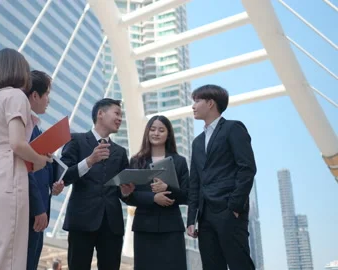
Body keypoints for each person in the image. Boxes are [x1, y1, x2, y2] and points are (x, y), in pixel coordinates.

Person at [0, 48, 52, 270]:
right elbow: (17, 143)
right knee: (9, 259)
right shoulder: (16, 96)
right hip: (8, 179)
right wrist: (39, 159)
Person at [186, 84, 257, 270]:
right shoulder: (197, 142)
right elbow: (195, 182)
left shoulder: (233, 128)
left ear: (210, 103)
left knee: (239, 264)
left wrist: (235, 205)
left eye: (197, 101)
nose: (193, 106)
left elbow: (247, 168)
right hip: (205, 216)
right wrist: (191, 218)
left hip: (229, 211)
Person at [60, 98, 135, 270]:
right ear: (100, 113)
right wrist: (89, 161)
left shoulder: (120, 152)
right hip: (81, 220)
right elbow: (63, 177)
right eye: (117, 113)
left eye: (121, 115)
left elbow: (122, 192)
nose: (120, 119)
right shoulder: (75, 140)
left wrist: (126, 192)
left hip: (112, 224)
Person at [123, 115, 189, 270]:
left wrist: (168, 188)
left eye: (161, 130)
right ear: (147, 132)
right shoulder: (136, 161)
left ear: (168, 134)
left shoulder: (179, 161)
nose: (156, 133)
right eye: (152, 129)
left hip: (171, 227)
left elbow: (187, 195)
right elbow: (129, 196)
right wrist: (154, 198)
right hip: (144, 228)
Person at [26, 70, 65, 270]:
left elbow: (38, 170)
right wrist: (38, 209)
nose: (48, 100)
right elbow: (26, 171)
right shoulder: (25, 128)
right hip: (31, 212)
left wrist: (54, 182)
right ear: (35, 95)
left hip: (39, 213)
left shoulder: (38, 130)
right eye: (47, 94)